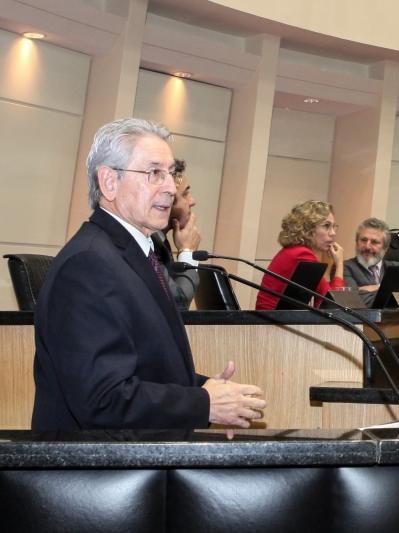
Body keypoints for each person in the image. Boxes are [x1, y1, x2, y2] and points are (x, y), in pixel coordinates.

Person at [32, 118, 266, 430]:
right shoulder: (89, 265)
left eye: (172, 173)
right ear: (109, 182)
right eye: (155, 173)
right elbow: (102, 398)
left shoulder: (132, 253)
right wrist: (203, 404)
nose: (170, 188)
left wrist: (205, 390)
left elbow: (143, 368)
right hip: (103, 472)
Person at [255, 200, 346, 310]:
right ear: (308, 228)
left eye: (333, 226)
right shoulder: (301, 254)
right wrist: (339, 264)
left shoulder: (295, 251)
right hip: (272, 324)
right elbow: (332, 305)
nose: (333, 233)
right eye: (326, 226)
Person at [151, 158, 201, 310]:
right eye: (185, 194)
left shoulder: (160, 240)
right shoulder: (146, 243)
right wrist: (187, 251)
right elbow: (178, 304)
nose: (192, 201)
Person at [343, 217, 399, 306]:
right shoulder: (345, 267)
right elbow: (354, 299)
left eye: (374, 242)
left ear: (385, 248)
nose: (367, 246)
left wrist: (373, 288)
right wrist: (394, 293)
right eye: (363, 240)